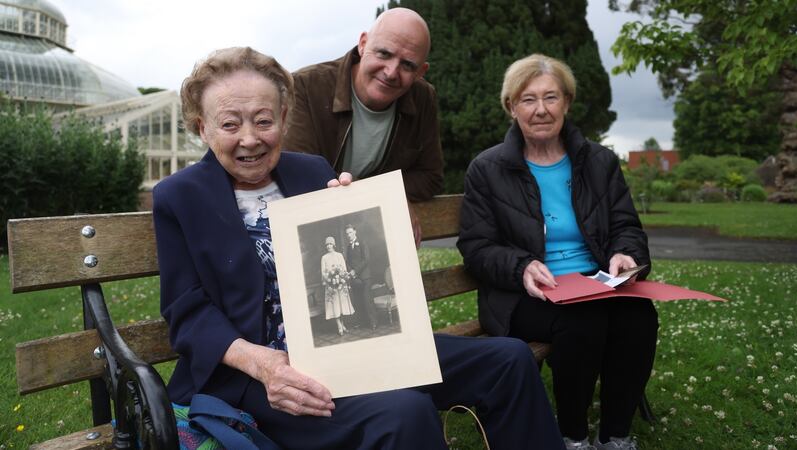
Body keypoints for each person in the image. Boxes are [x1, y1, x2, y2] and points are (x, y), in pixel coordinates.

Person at [154, 46, 564, 450]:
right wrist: (263, 364)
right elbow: (187, 312)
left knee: (509, 360)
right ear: (201, 128)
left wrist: (369, 219)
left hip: (353, 346)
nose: (250, 139)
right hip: (261, 377)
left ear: (282, 118)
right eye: (229, 124)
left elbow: (360, 257)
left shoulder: (311, 170)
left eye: (263, 121)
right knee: (404, 412)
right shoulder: (180, 197)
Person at [458, 53, 659, 450]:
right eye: (528, 99)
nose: (541, 109)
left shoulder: (599, 162)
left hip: (596, 282)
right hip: (525, 293)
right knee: (582, 321)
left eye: (551, 97)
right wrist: (521, 266)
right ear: (511, 108)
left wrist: (625, 254)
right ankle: (573, 436)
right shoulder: (487, 168)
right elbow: (476, 247)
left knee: (638, 315)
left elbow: (626, 226)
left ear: (566, 102)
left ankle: (616, 436)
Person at [284, 7, 444, 245]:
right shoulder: (305, 86)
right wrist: (385, 196)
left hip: (371, 239)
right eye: (383, 54)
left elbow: (430, 176)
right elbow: (298, 176)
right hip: (311, 233)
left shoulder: (423, 98)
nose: (391, 72)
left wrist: (389, 195)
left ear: (421, 72)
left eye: (408, 65)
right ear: (362, 44)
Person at [343, 224, 377, 329]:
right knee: (358, 301)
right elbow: (347, 261)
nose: (349, 235)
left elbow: (366, 259)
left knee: (367, 300)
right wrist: (350, 272)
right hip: (355, 278)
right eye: (347, 233)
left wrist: (355, 271)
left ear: (355, 231)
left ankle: (373, 322)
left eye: (350, 232)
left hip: (365, 276)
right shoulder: (348, 247)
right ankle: (363, 322)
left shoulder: (362, 243)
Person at [321, 236, 355, 336]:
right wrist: (330, 280)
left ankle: (343, 324)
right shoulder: (324, 257)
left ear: (334, 245)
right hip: (331, 285)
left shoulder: (339, 255)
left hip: (341, 284)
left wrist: (341, 278)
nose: (328, 246)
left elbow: (343, 269)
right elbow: (323, 272)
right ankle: (339, 326)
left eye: (330, 244)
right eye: (327, 244)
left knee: (341, 305)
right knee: (334, 305)